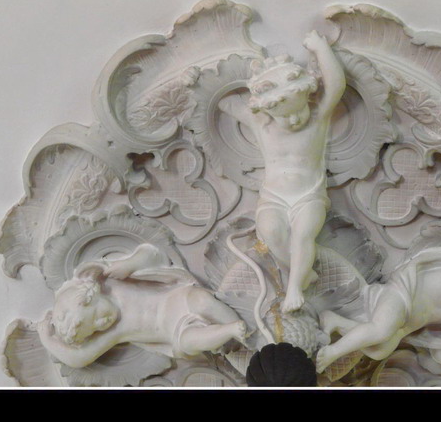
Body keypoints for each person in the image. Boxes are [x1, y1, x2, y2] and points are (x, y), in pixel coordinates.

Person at [218, 30, 346, 313]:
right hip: (273, 197)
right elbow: (222, 101)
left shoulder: (318, 119)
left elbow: (336, 85)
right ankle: (303, 273)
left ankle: (295, 288)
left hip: (309, 195)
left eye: (299, 110)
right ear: (266, 111)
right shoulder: (260, 124)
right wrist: (198, 82)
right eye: (285, 116)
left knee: (303, 235)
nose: (295, 119)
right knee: (270, 233)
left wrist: (320, 48)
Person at [37, 244, 248, 368]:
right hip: (175, 331)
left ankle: (244, 331)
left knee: (203, 300)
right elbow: (80, 357)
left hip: (178, 300)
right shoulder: (114, 332)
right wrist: (47, 339)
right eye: (96, 328)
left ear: (92, 293)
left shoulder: (114, 282)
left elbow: (153, 255)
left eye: (96, 316)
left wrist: (131, 264)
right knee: (189, 341)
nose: (103, 323)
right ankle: (230, 331)